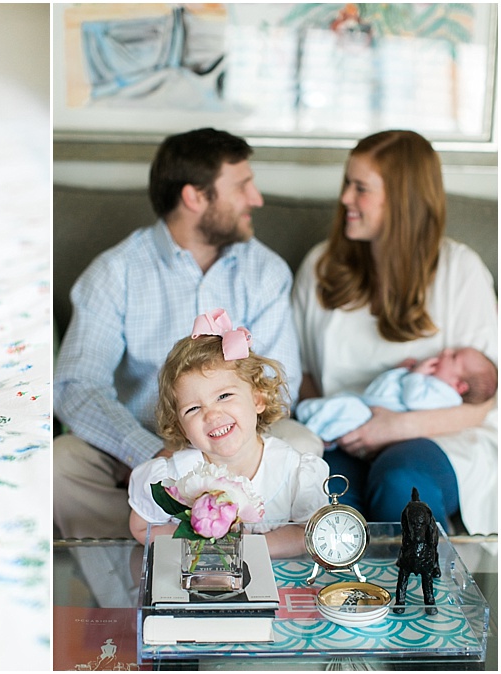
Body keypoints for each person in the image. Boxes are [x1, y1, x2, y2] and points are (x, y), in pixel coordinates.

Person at [54, 127, 320, 539]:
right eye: (243, 186)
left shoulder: (266, 271)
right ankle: (133, 575)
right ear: (195, 197)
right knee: (60, 465)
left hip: (242, 434)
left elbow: (277, 385)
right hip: (141, 437)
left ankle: (248, 553)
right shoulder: (114, 272)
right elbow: (77, 385)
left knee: (303, 444)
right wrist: (149, 453)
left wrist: (228, 453)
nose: (257, 199)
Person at [292, 129, 498, 534]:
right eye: (346, 184)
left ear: (402, 199)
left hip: (439, 437)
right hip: (341, 436)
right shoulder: (322, 267)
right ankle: (343, 596)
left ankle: (425, 597)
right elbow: (299, 376)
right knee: (327, 505)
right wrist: (344, 425)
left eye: (360, 188)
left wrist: (395, 428)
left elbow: (486, 400)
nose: (346, 198)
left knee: (402, 485)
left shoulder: (460, 271)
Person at [127, 311, 329, 558]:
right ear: (181, 427)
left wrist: (245, 549)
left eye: (224, 396)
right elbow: (141, 527)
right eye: (193, 409)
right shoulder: (174, 475)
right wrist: (202, 543)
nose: (211, 415)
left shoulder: (292, 469)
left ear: (258, 398)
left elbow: (307, 533)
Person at [297, 347, 498, 444]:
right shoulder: (435, 383)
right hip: (369, 403)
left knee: (343, 409)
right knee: (340, 405)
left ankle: (313, 430)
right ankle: (311, 419)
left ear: (459, 386)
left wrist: (416, 373)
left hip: (374, 416)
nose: (446, 350)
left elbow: (414, 399)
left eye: (454, 357)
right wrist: (401, 370)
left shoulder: (447, 396)